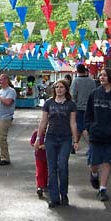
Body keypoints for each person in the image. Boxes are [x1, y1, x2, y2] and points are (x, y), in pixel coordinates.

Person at [85, 68, 111, 202]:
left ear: (110, 78)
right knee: (94, 162)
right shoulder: (94, 94)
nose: (101, 77)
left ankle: (102, 190)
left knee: (107, 162)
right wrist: (90, 127)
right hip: (96, 135)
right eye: (100, 75)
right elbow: (88, 114)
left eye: (104, 75)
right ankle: (94, 174)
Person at [36, 79, 79, 208]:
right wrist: (39, 137)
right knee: (52, 168)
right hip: (51, 138)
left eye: (61, 87)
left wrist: (75, 140)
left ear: (66, 89)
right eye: (57, 87)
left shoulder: (71, 104)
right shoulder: (48, 103)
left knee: (63, 166)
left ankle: (64, 194)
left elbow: (73, 123)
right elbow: (43, 122)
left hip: (65, 138)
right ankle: (54, 197)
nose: (59, 89)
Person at [70, 63, 96, 152]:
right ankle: (74, 145)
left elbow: (73, 95)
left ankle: (92, 147)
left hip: (79, 107)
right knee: (81, 127)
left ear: (77, 71)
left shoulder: (76, 81)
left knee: (82, 128)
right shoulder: (92, 81)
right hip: (90, 107)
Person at [30, 130, 47, 198]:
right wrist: (38, 146)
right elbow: (32, 143)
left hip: (49, 156)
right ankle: (40, 186)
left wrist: (46, 146)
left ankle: (46, 184)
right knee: (39, 171)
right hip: (39, 156)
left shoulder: (51, 133)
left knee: (46, 171)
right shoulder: (36, 133)